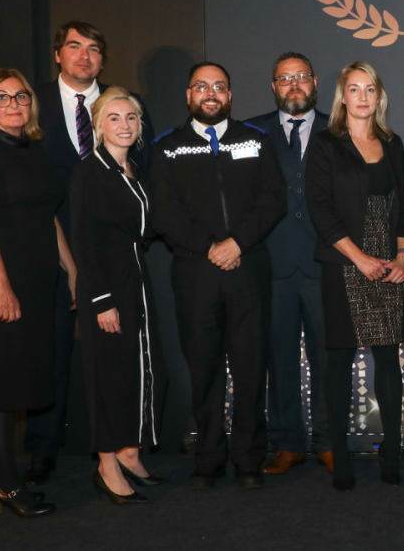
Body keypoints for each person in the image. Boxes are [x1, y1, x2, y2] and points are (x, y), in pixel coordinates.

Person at [25, 20, 155, 486]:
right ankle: (44, 449)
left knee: (118, 362)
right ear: (58, 54)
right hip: (48, 250)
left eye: (94, 49)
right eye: (74, 47)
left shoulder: (125, 109)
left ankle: (125, 449)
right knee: (54, 354)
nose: (84, 56)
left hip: (115, 263)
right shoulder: (31, 105)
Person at [151, 62, 286, 490]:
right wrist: (210, 246)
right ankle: (208, 458)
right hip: (196, 272)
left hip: (248, 269)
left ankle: (248, 458)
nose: (211, 93)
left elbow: (273, 200)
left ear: (230, 95)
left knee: (250, 367)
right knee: (203, 367)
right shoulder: (166, 147)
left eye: (220, 87)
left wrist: (236, 244)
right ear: (189, 95)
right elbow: (163, 208)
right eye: (202, 87)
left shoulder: (256, 141)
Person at [0, 69, 76, 517]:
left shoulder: (33, 148)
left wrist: (72, 270)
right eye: (1, 97)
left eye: (21, 96)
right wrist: (1, 286)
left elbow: (48, 217)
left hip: (37, 280)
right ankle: (7, 485)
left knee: (21, 379)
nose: (13, 104)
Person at [306, 61, 404, 491]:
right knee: (340, 362)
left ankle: (390, 450)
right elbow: (321, 210)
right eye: (355, 89)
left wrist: (403, 256)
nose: (363, 96)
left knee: (388, 360)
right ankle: (341, 453)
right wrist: (358, 258)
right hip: (344, 262)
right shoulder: (326, 143)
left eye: (370, 88)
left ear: (379, 96)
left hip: (389, 262)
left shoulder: (393, 142)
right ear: (342, 97)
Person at [70, 87, 168, 504]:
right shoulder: (89, 172)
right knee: (109, 376)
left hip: (136, 283)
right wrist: (102, 300)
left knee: (143, 370)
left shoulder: (133, 170)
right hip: (106, 286)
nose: (124, 125)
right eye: (114, 118)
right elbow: (84, 241)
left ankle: (130, 451)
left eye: (131, 118)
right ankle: (107, 463)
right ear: (97, 125)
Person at [245, 52, 333, 475]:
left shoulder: (339, 127)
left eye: (301, 77)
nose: (294, 84)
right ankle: (288, 443)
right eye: (284, 79)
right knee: (279, 360)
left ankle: (329, 442)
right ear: (274, 87)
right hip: (272, 265)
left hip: (323, 263)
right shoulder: (251, 131)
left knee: (328, 358)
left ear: (315, 82)